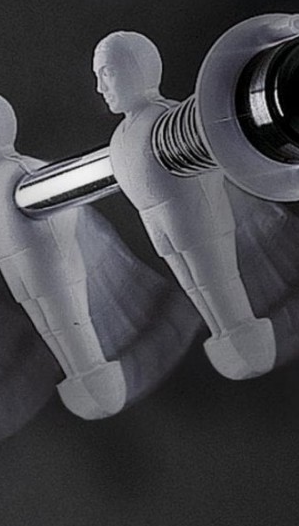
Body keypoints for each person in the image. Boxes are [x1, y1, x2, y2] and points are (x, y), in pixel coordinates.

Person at [94, 31, 276, 380]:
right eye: (98, 76)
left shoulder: (168, 118)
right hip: (158, 222)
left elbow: (214, 150)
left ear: (137, 69)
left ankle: (242, 338)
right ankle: (225, 337)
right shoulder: (123, 134)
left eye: (108, 73)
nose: (101, 87)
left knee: (217, 283)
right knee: (196, 287)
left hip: (195, 215)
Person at [0, 90, 128, 419]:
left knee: (72, 331)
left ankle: (95, 380)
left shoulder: (27, 172)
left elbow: (65, 217)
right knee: (53, 332)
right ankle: (84, 379)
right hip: (23, 278)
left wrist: (53, 255)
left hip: (52, 272)